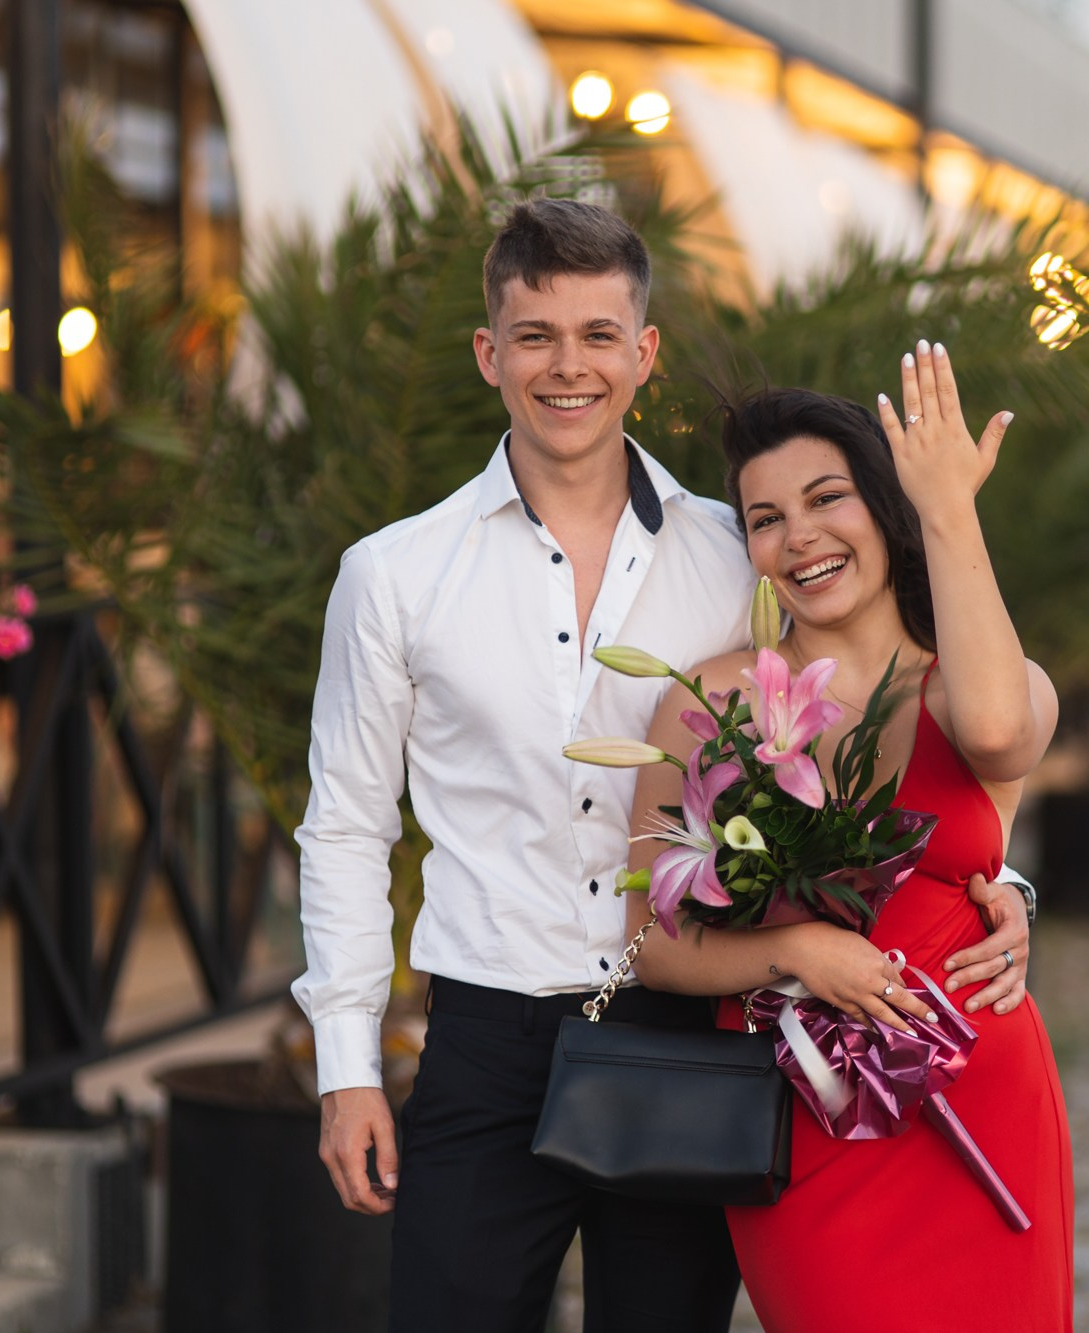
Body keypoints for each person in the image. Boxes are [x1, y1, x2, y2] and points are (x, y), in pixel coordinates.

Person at [293, 198, 1035, 1331]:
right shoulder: (394, 575)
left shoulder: (739, 549)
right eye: (534, 336)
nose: (566, 366)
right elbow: (346, 826)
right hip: (488, 1041)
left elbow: (876, 731)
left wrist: (1002, 885)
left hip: (702, 1031)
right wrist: (346, 1063)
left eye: (597, 334)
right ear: (489, 354)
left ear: (643, 354)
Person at [623, 355, 1073, 1331]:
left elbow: (999, 735)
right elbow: (647, 944)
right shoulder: (709, 700)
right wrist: (789, 950)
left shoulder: (967, 685)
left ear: (885, 507)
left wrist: (948, 504)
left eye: (829, 499)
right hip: (804, 1110)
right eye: (764, 518)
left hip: (978, 1104)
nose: (800, 537)